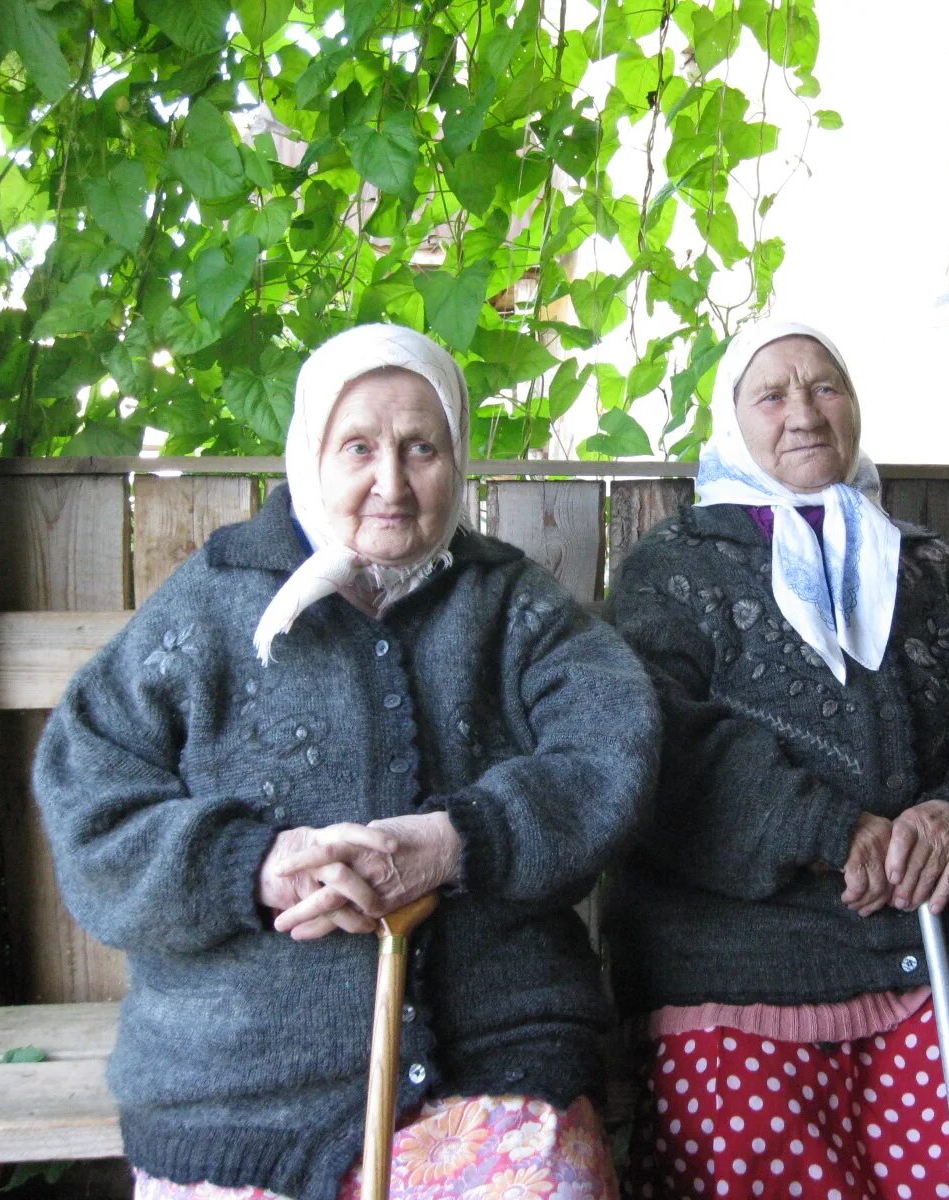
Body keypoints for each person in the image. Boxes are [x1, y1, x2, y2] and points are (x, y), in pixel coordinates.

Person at [34, 324, 659, 1200]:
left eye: (421, 448)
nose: (391, 482)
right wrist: (250, 865)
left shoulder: (511, 603)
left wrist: (458, 840)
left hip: (489, 1057)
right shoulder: (207, 608)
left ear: (458, 456)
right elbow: (91, 808)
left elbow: (611, 743)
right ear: (308, 454)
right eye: (358, 447)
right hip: (234, 1087)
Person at [606, 319, 949, 1200]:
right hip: (748, 954)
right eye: (773, 393)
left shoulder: (926, 567)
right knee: (753, 1149)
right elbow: (660, 740)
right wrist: (832, 830)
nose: (804, 411)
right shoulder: (671, 571)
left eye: (826, 386)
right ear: (731, 422)